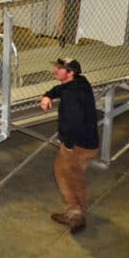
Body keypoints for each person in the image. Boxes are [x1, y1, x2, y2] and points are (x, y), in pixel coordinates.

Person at [41, 58, 99, 233]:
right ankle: (75, 212)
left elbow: (75, 123)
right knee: (65, 172)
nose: (55, 71)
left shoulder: (72, 96)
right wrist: (48, 95)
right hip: (87, 142)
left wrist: (68, 145)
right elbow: (60, 89)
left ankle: (76, 215)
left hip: (79, 145)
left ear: (70, 73)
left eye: (60, 69)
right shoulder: (80, 82)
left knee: (71, 177)